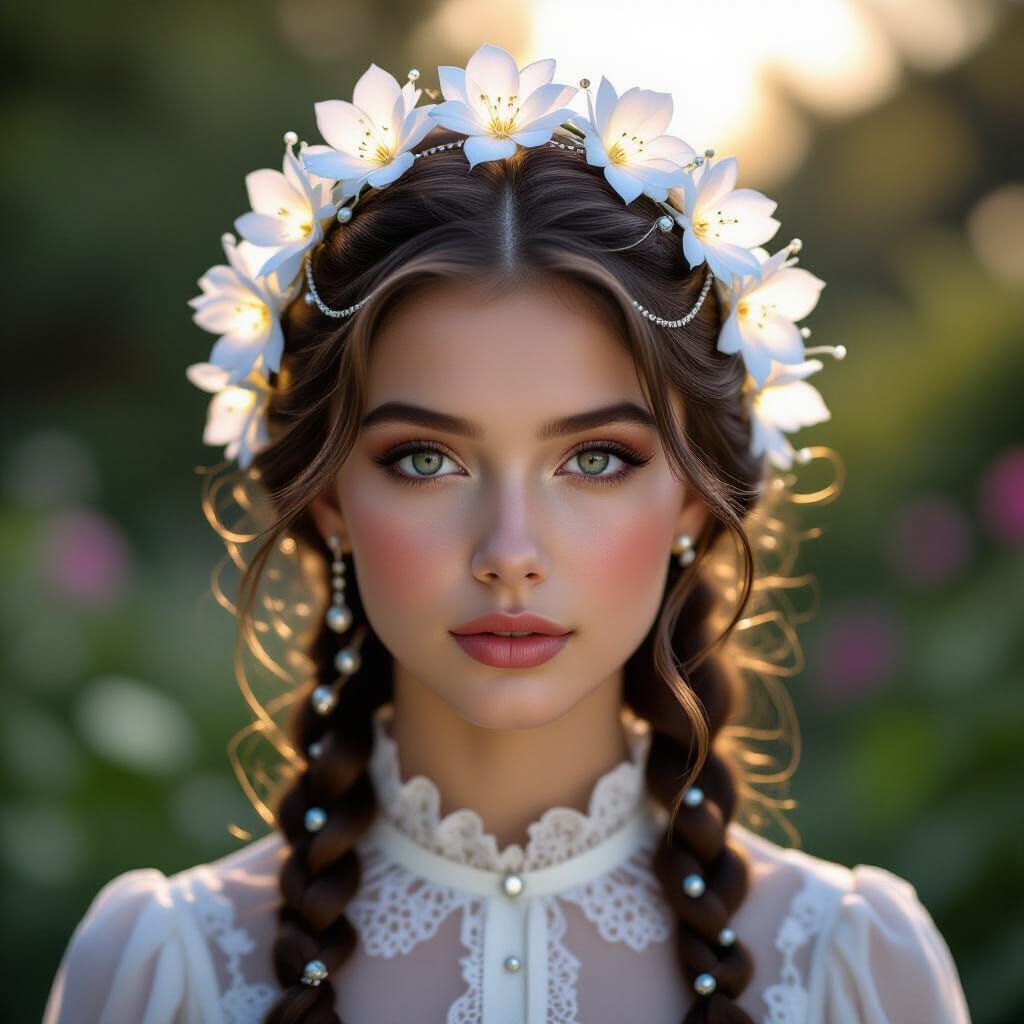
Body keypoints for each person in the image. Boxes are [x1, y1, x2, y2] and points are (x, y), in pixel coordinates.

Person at [42, 42, 972, 1024]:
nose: (510, 550)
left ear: (696, 499)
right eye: (425, 459)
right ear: (326, 499)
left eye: (597, 458)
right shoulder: (162, 971)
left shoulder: (853, 969)